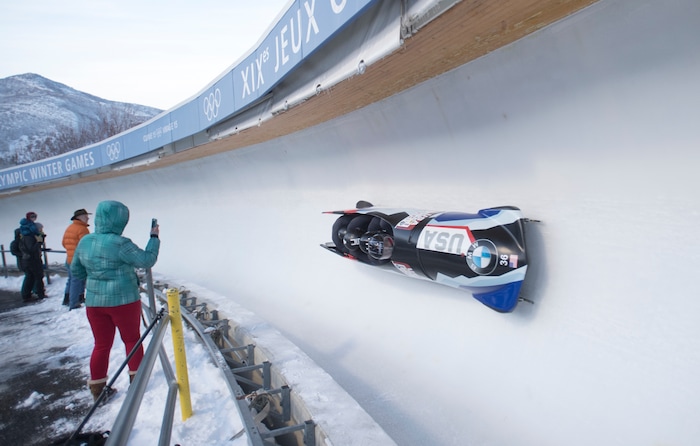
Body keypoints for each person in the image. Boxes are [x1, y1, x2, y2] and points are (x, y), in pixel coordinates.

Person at [71, 200, 160, 401]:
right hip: (124, 301)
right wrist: (154, 237)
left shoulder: (85, 242)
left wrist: (96, 276)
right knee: (131, 340)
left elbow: (76, 270)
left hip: (95, 303)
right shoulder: (121, 243)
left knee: (101, 345)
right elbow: (146, 260)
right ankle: (137, 383)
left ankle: (97, 389)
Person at [61, 209, 92, 310]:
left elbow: (64, 243)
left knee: (71, 280)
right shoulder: (82, 229)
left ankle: (67, 298)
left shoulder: (70, 227)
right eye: (85, 216)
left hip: (69, 258)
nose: (87, 218)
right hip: (78, 260)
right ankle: (74, 303)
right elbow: (87, 245)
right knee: (77, 280)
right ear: (79, 217)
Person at [19, 220, 47, 301]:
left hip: (29, 260)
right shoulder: (29, 237)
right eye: (41, 229)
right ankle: (38, 294)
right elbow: (31, 249)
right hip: (32, 261)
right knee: (35, 277)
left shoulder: (29, 236)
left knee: (31, 277)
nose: (42, 230)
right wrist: (39, 242)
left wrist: (41, 240)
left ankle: (27, 294)